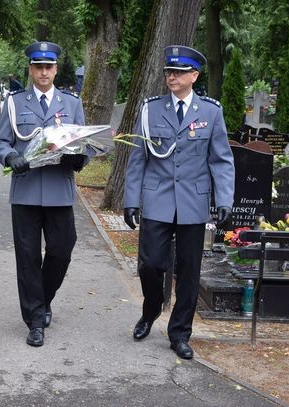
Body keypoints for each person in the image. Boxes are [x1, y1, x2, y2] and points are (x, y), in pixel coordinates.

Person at [123, 45, 235, 359]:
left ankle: (179, 333)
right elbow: (138, 158)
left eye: (179, 72)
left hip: (192, 203)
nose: (172, 77)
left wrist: (224, 199)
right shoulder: (150, 109)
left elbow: (221, 160)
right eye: (168, 72)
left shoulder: (211, 112)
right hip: (157, 198)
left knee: (188, 271)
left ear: (194, 76)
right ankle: (150, 309)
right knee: (150, 264)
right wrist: (131, 199)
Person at [0, 41, 92, 347]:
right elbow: (0, 143)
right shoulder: (14, 102)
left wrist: (79, 159)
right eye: (38, 66)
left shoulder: (71, 104)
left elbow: (83, 142)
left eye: (49, 67)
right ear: (31, 69)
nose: (43, 72)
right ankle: (35, 320)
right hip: (25, 192)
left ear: (56, 69)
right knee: (28, 258)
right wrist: (11, 157)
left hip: (59, 190)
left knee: (62, 250)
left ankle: (43, 298)